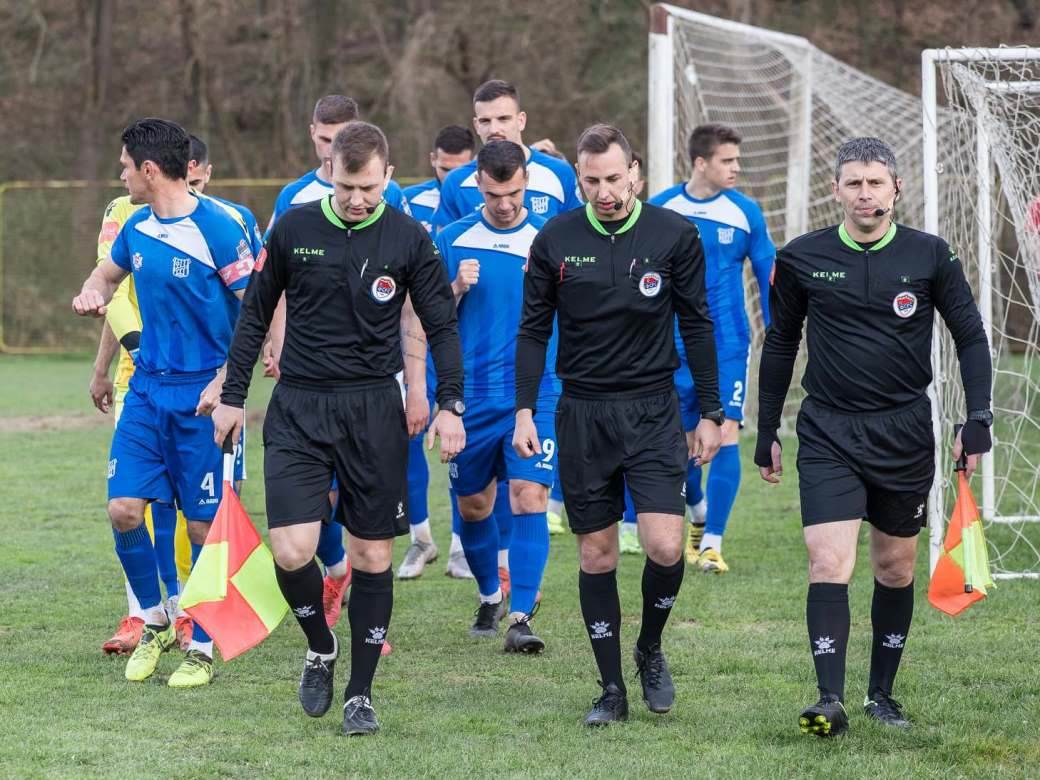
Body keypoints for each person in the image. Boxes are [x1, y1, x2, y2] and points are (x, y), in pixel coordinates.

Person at [211, 121, 465, 736]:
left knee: (372, 555)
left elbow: (439, 322)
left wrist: (450, 403)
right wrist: (232, 396)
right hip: (298, 406)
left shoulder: (408, 237)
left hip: (373, 409)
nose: (358, 199)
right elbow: (254, 317)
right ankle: (320, 646)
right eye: (348, 185)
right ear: (331, 173)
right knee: (291, 549)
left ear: (387, 176)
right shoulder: (294, 228)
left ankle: (360, 694)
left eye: (370, 188)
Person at [756, 137, 993, 737]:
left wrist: (979, 417)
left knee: (894, 566)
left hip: (904, 432)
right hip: (829, 428)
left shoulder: (930, 255)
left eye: (875, 183)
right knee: (827, 561)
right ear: (836, 190)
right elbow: (781, 343)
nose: (865, 194)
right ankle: (828, 697)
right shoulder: (803, 257)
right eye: (854, 183)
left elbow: (970, 336)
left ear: (896, 189)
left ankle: (881, 695)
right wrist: (766, 428)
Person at [515, 124, 723, 726]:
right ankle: (610, 688)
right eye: (591, 181)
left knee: (664, 545)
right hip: (582, 413)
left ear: (635, 171)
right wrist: (525, 408)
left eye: (614, 178)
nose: (604, 192)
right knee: (597, 553)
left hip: (654, 410)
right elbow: (532, 329)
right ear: (577, 177)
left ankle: (650, 647)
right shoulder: (554, 239)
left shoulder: (674, 235)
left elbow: (698, 325)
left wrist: (710, 412)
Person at [72, 117, 255, 688]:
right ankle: (154, 619)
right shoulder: (136, 226)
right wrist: (93, 291)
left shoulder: (220, 229)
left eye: (126, 165)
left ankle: (201, 644)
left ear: (150, 170)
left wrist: (228, 380)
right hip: (147, 388)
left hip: (204, 398)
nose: (121, 173)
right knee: (124, 508)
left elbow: (261, 311)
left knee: (202, 529)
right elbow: (107, 273)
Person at [264, 94, 412, 620]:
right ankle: (332, 573)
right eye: (325, 143)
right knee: (306, 503)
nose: (335, 157)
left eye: (341, 140)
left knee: (369, 526)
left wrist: (419, 386)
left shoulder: (396, 212)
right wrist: (276, 342)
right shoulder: (293, 203)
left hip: (373, 390)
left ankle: (362, 602)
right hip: (307, 384)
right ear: (315, 139)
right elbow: (274, 287)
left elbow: (412, 301)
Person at [433, 140, 556, 650]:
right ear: (477, 185)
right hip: (472, 396)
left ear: (525, 183)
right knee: (475, 508)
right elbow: (427, 322)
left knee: (529, 496)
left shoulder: (549, 241)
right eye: (494, 193)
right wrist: (455, 289)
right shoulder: (452, 239)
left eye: (515, 193)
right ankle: (489, 595)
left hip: (538, 391)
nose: (505, 203)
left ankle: (521, 614)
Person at [646, 124, 775, 572]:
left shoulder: (746, 213)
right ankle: (698, 511)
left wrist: (777, 335)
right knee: (679, 446)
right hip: (669, 345)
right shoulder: (661, 208)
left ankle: (711, 544)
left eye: (738, 160)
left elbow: (768, 275)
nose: (736, 168)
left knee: (723, 435)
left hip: (726, 345)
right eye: (727, 160)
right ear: (701, 162)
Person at [397, 124, 476, 581]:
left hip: (463, 341)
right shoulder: (412, 202)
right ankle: (420, 539)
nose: (452, 178)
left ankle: (462, 547)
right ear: (432, 161)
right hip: (411, 340)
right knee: (410, 433)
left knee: (459, 442)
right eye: (444, 168)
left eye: (461, 169)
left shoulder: (481, 209)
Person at [431, 79, 582, 232]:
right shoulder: (456, 181)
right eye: (485, 121)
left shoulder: (559, 172)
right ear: (476, 125)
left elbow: (576, 233)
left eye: (503, 119)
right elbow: (442, 246)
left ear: (521, 120)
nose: (494, 129)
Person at [402, 125, 477, 233]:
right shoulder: (407, 199)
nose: (449, 178)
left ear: (473, 163)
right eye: (445, 169)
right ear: (433, 159)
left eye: (457, 171)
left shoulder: (486, 199)